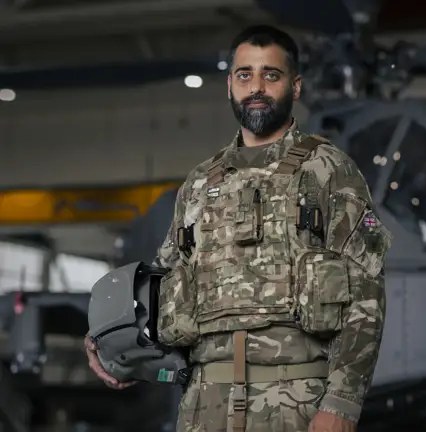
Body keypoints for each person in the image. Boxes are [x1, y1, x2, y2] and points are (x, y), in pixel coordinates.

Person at [84, 24, 392, 432]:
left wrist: (342, 402)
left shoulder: (328, 169)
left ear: (295, 87)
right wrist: (110, 343)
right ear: (229, 85)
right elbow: (159, 287)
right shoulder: (199, 184)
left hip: (295, 402)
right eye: (245, 75)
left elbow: (366, 291)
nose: (257, 87)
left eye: (271, 75)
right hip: (203, 406)